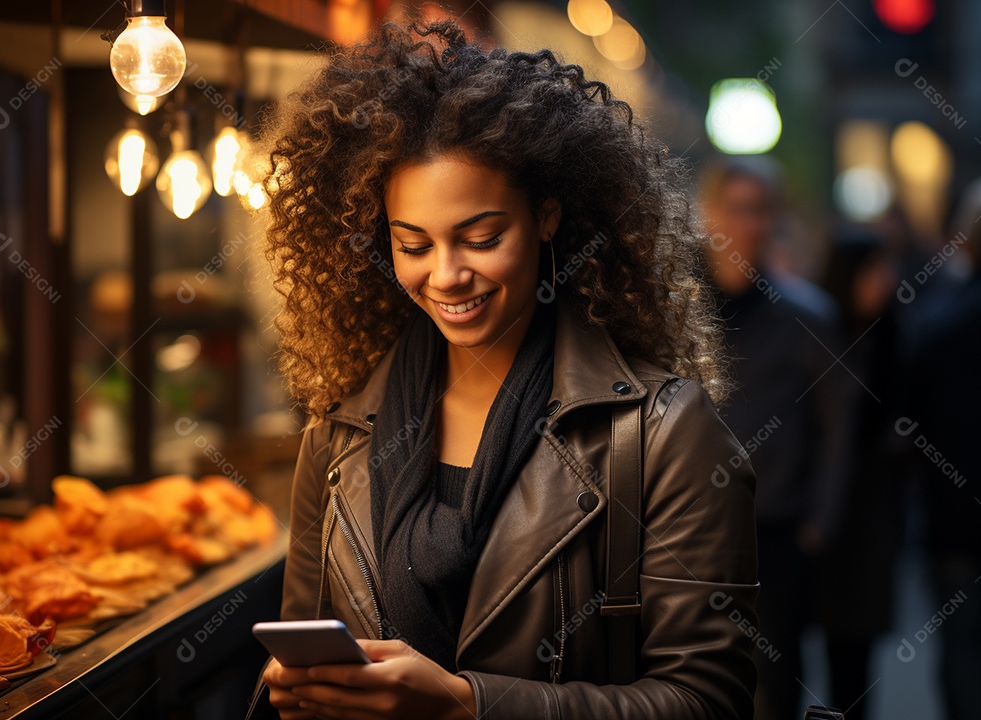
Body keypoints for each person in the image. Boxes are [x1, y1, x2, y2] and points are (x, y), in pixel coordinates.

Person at [257, 21, 758, 720]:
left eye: (481, 237)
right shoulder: (339, 433)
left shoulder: (660, 432)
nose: (447, 275)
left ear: (547, 217)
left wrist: (467, 706)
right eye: (413, 244)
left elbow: (708, 702)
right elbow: (305, 653)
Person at [698, 159, 857, 720]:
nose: (751, 223)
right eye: (738, 209)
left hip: (781, 527)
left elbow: (839, 423)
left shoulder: (806, 314)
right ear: (711, 215)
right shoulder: (680, 310)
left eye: (762, 210)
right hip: (693, 529)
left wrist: (820, 521)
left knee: (777, 676)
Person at [900, 176, 981, 720]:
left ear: (966, 242)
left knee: (965, 660)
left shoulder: (938, 328)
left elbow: (905, 424)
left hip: (959, 528)